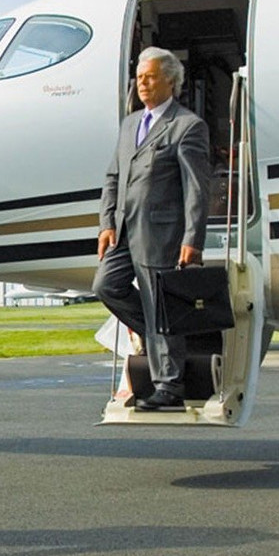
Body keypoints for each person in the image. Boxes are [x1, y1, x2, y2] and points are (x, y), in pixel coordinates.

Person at [92, 47, 212, 411]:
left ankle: (169, 387)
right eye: (139, 77)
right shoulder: (130, 124)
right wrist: (106, 223)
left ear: (171, 82)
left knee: (159, 304)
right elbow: (114, 176)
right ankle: (153, 333)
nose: (142, 83)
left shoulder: (188, 126)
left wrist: (193, 239)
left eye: (150, 77)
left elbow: (197, 187)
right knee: (106, 286)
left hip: (163, 233)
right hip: (125, 231)